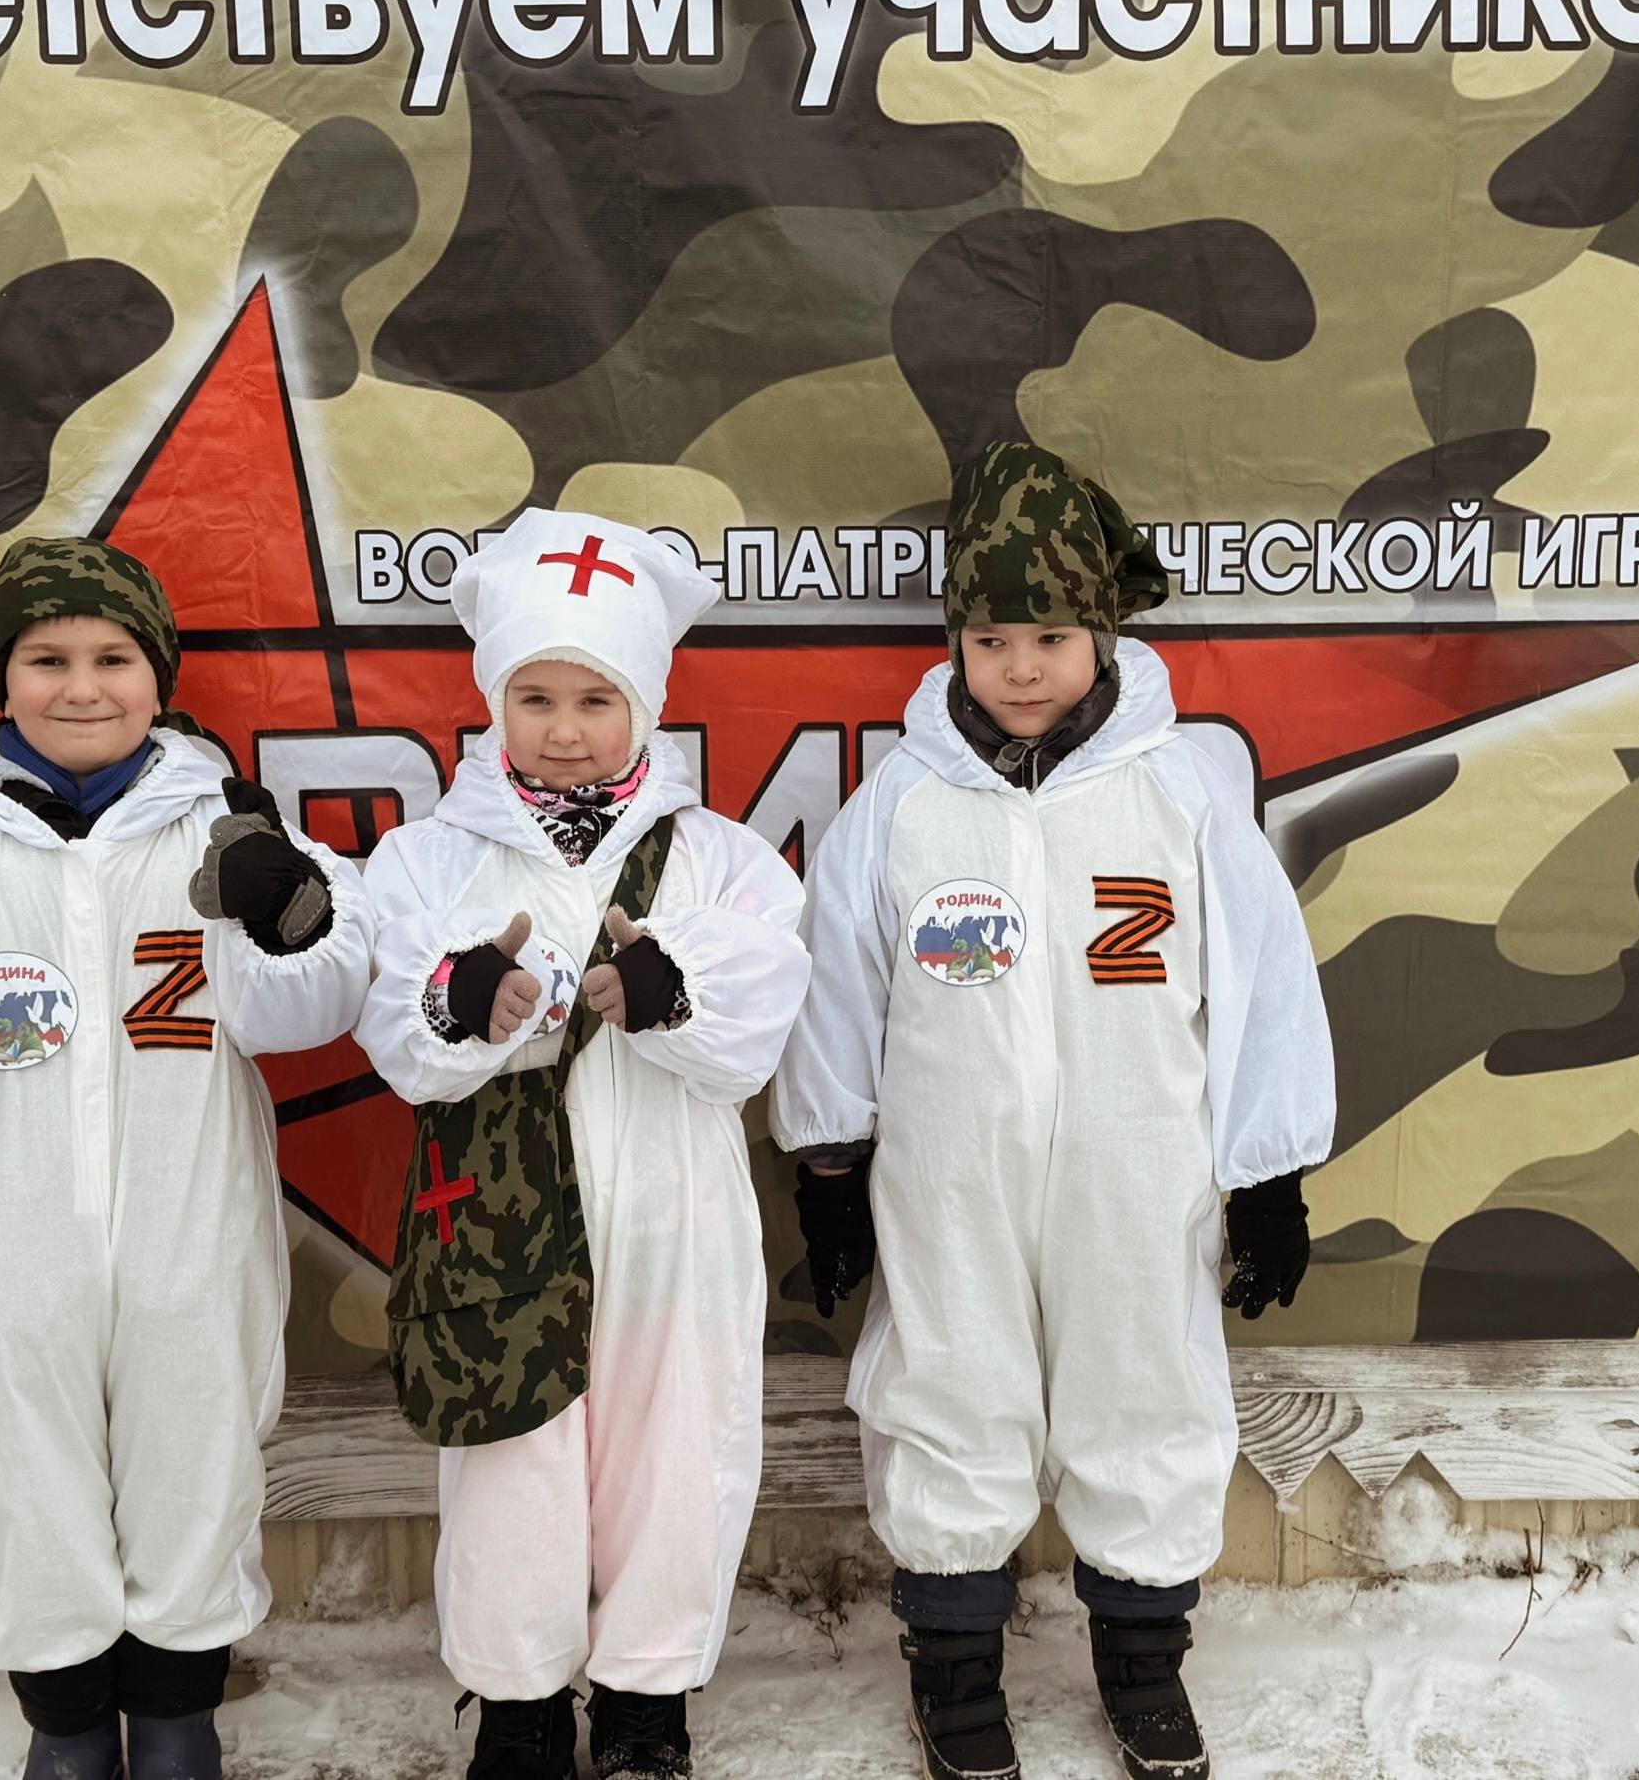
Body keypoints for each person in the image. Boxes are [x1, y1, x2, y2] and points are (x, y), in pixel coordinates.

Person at [0, 537, 373, 1780]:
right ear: (2, 676)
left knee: (195, 1453)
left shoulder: (226, 824)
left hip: (187, 1221)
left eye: (113, 657)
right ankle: (68, 1725)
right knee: (11, 1463)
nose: (81, 686)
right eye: (46, 659)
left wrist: (285, 910)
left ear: (159, 677)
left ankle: (179, 1719)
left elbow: (310, 1001)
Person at [774, 441, 1334, 1780]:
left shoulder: (1178, 792)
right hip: (947, 1174)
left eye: (1049, 638)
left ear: (1102, 634)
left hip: (1138, 1172)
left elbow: (1261, 982)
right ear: (952, 643)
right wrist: (829, 1164)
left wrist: (1266, 1171)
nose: (1020, 668)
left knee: (1143, 1381)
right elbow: (836, 987)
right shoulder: (901, 804)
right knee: (947, 1380)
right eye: (989, 640)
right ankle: (954, 1663)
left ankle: (1141, 1660)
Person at [355, 511, 810, 1780]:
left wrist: (672, 990)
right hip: (492, 1214)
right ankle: (516, 1699)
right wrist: (461, 1001)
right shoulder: (426, 858)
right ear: (494, 700)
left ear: (644, 704)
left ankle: (646, 1695)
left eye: (595, 698)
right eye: (535, 696)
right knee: (512, 1452)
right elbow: (393, 1022)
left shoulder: (716, 856)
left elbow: (761, 1009)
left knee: (675, 1438)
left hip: (670, 1202)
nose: (564, 728)